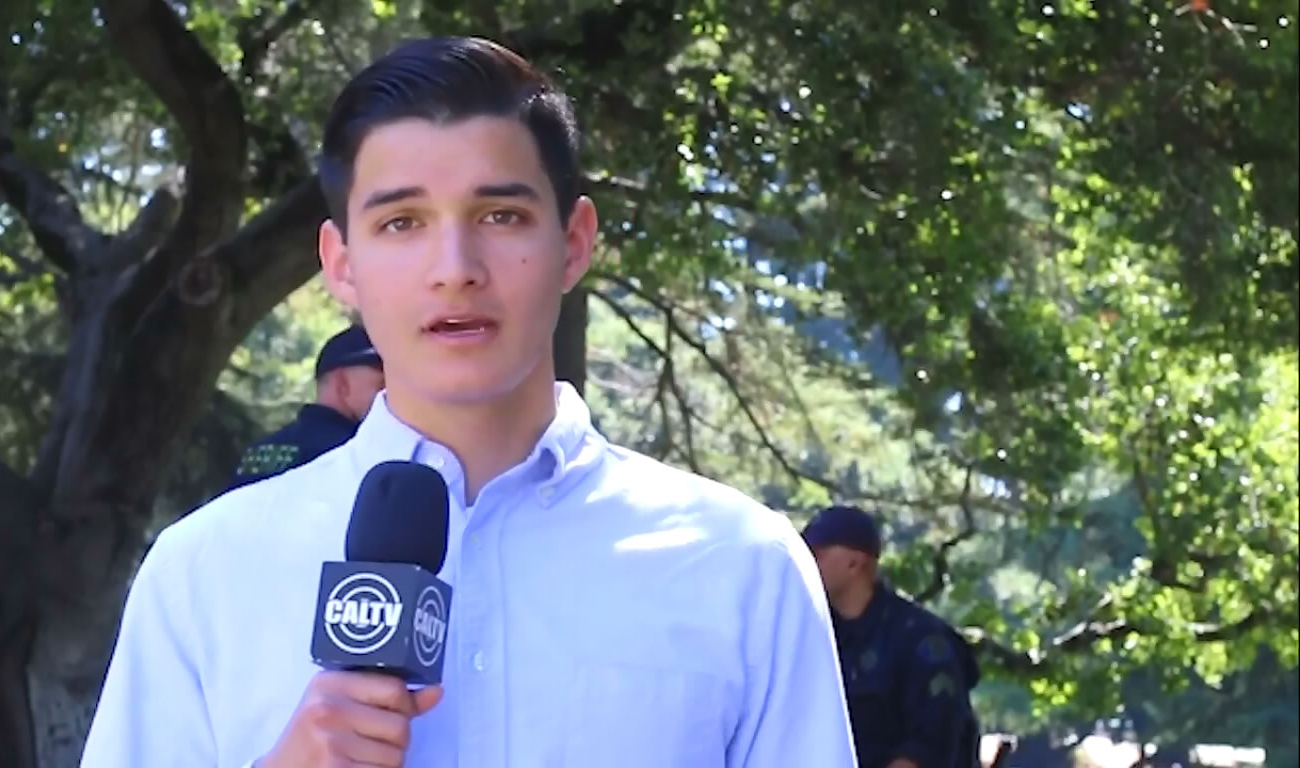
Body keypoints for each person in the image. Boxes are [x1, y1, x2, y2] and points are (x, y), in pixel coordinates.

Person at [80, 36, 856, 768]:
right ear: (341, 265)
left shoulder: (741, 564)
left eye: (500, 216)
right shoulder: (205, 571)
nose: (455, 267)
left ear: (575, 242)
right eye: (402, 222)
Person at [803, 505, 982, 768]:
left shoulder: (923, 639)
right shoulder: (814, 638)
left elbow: (932, 744)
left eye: (815, 554)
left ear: (855, 563)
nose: (805, 564)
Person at [224, 324, 384, 492]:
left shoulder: (261, 451)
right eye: (382, 384)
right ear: (342, 384)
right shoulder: (357, 453)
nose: (390, 395)